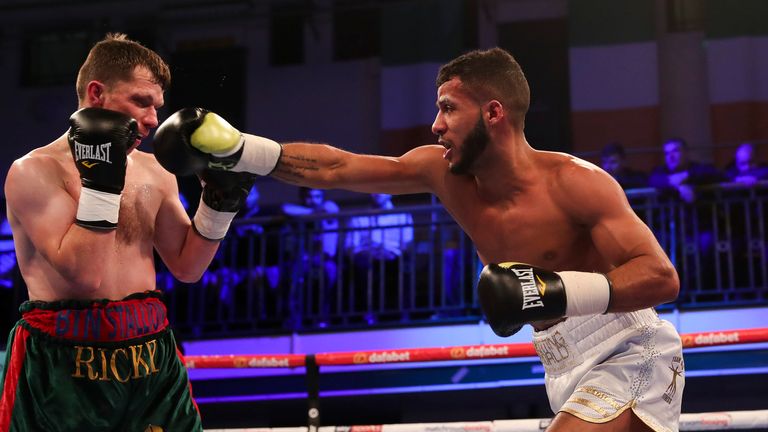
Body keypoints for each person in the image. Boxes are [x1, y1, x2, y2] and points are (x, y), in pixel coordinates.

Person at [154, 47, 684, 431]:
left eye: (449, 108)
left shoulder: (576, 182)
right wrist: (241, 148)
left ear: (493, 112)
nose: (435, 125)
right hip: (559, 362)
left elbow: (661, 277)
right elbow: (339, 168)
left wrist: (560, 290)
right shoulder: (442, 173)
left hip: (628, 348)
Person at [0, 33, 258, 431]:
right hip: (64, 363)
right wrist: (103, 181)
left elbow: (188, 267)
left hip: (150, 352)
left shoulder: (156, 171)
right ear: (96, 92)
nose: (154, 120)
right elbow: (85, 277)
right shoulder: (33, 172)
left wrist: (218, 204)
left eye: (157, 107)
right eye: (141, 101)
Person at [345, 193, 414, 323]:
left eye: (381, 189)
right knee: (364, 268)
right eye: (373, 190)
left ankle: (400, 315)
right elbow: (350, 246)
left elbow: (407, 243)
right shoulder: (358, 217)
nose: (377, 192)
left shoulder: (402, 215)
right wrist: (369, 252)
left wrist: (389, 252)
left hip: (393, 256)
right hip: (366, 257)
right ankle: (369, 314)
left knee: (401, 268)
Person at [282, 187, 340, 326]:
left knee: (328, 277)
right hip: (303, 259)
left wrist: (311, 213)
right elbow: (285, 208)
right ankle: (295, 318)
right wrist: (312, 213)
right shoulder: (302, 212)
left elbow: (332, 208)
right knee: (293, 277)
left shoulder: (328, 209)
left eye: (317, 196)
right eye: (309, 197)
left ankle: (323, 318)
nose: (313, 200)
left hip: (325, 259)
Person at [648, 137, 723, 203]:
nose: (670, 156)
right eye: (667, 153)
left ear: (686, 153)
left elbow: (714, 173)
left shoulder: (697, 168)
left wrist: (686, 175)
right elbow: (652, 180)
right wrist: (679, 185)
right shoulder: (660, 171)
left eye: (675, 151)